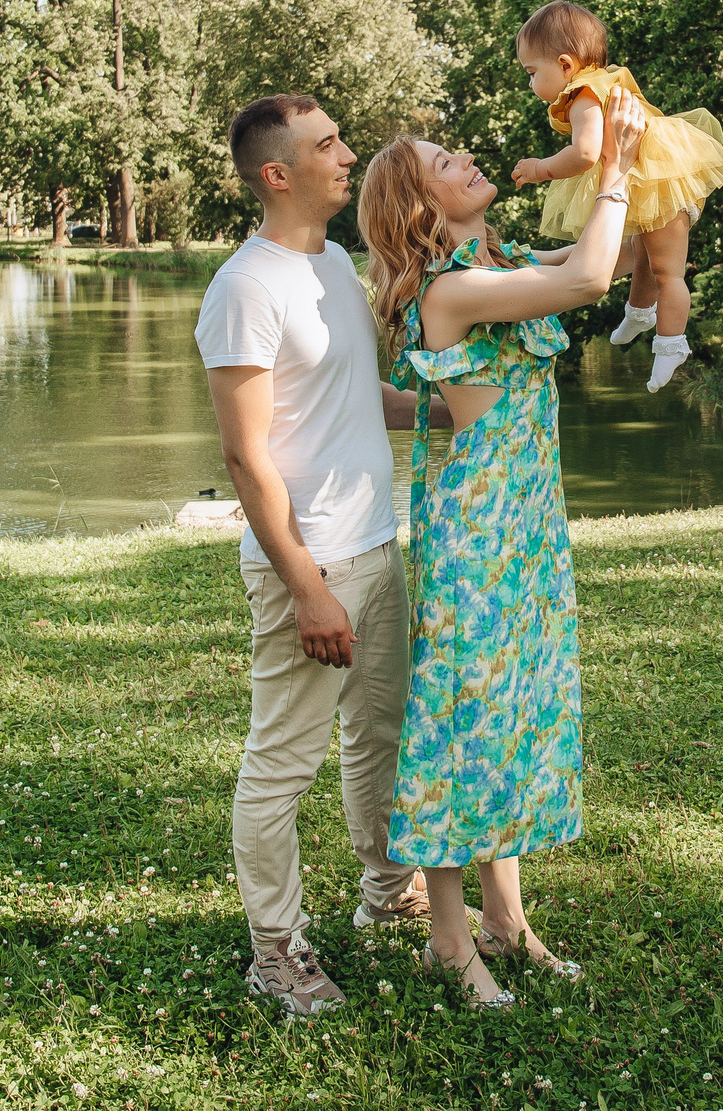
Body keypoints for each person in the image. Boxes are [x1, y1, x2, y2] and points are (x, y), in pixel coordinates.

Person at [356, 85, 650, 1009]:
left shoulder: (503, 257)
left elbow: (606, 254)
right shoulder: (453, 292)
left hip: (525, 520)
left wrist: (640, 174)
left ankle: (507, 921)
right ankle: (449, 942)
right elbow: (586, 282)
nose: (467, 159)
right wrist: (615, 175)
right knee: (460, 723)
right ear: (423, 208)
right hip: (477, 527)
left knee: (512, 714)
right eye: (446, 164)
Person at [197, 92, 456, 1017]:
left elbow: (360, 396)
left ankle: (386, 891)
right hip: (308, 567)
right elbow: (245, 455)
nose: (349, 154)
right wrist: (306, 586)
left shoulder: (338, 265)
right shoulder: (244, 288)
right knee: (281, 761)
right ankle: (276, 952)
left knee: (379, 737)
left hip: (376, 549)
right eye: (328, 145)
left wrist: (447, 415)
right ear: (279, 174)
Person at [509, 0, 723, 391]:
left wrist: (539, 168)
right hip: (649, 179)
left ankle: (671, 345)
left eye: (531, 73)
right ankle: (640, 312)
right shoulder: (600, 82)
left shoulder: (584, 95)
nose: (529, 85)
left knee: (668, 272)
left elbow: (585, 153)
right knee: (642, 252)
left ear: (564, 64)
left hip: (660, 181)